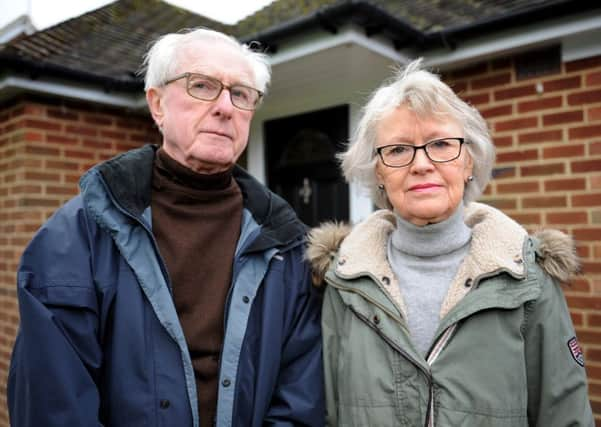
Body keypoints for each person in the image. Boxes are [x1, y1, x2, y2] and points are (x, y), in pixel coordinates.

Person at [8, 28, 324, 427]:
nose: (225, 107)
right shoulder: (76, 238)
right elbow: (52, 404)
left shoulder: (288, 246)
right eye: (202, 86)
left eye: (240, 94)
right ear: (157, 104)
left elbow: (299, 401)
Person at [307, 59, 593, 426]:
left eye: (441, 144)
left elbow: (565, 417)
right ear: (378, 172)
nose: (421, 164)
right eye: (397, 150)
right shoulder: (342, 281)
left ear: (469, 161)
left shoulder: (528, 278)